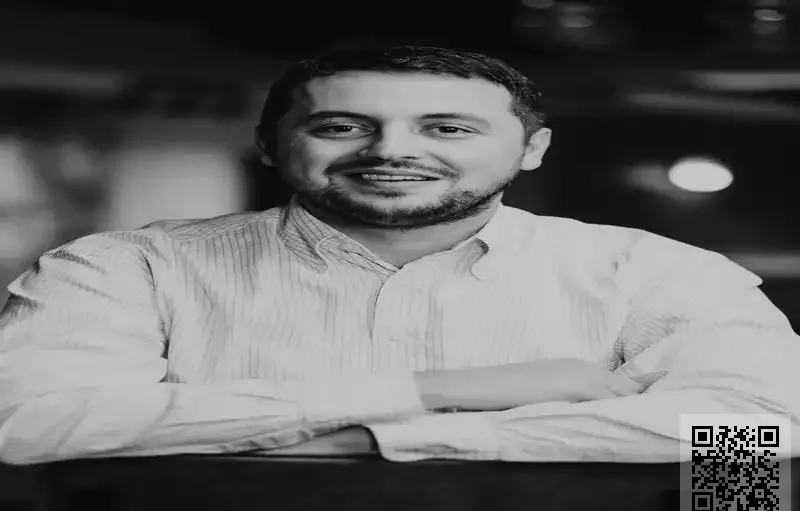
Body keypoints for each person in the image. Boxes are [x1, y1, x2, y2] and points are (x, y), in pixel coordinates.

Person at [0, 44, 798, 466]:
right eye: (341, 126)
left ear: (533, 150)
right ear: (271, 146)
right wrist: (445, 391)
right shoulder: (123, 268)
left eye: (447, 128)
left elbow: (762, 442)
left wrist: (369, 439)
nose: (390, 151)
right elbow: (24, 427)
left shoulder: (664, 273)